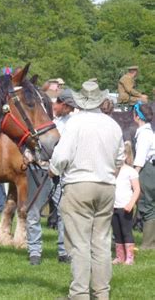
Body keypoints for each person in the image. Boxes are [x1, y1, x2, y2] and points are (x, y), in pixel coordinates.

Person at [49, 81, 125, 300]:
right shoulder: (113, 125)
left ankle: (79, 294)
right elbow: (119, 159)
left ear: (81, 100)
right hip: (107, 185)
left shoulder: (75, 123)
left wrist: (53, 170)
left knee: (79, 244)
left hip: (79, 185)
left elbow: (61, 156)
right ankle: (102, 293)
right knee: (101, 242)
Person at [26, 89, 75, 266]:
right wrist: (29, 154)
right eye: (67, 106)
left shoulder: (73, 124)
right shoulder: (43, 117)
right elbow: (28, 139)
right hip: (40, 169)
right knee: (33, 211)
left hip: (60, 171)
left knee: (63, 213)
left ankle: (63, 251)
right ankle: (34, 251)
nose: (69, 110)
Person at [111, 141, 140, 265]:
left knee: (126, 232)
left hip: (125, 206)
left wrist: (131, 203)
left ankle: (130, 257)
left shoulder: (131, 171)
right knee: (116, 232)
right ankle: (120, 256)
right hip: (113, 207)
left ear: (126, 156)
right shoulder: (112, 171)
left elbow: (137, 189)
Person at [132, 102, 155, 249]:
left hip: (147, 170)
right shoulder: (148, 132)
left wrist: (133, 176)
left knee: (147, 206)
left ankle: (148, 244)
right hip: (150, 169)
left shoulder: (144, 134)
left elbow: (140, 159)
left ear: (136, 117)